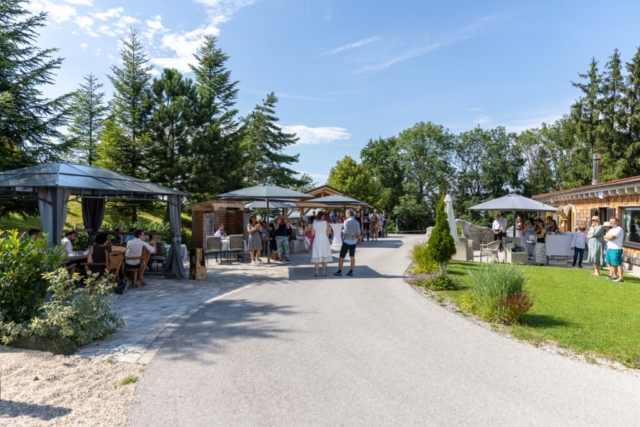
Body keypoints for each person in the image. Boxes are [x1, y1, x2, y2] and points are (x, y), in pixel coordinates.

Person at [334, 209, 361, 277]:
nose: (345, 215)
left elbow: (345, 231)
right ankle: (351, 271)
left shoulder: (346, 221)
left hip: (347, 241)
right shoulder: (357, 222)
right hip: (353, 241)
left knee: (341, 256)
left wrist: (340, 231)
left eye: (346, 213)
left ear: (349, 214)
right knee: (352, 256)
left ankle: (339, 271)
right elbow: (358, 232)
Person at [311, 211, 332, 276]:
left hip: (317, 239)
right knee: (324, 255)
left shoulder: (314, 223)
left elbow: (312, 233)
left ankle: (317, 272)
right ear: (322, 216)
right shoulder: (326, 223)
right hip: (324, 239)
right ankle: (324, 271)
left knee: (316, 255)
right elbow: (328, 232)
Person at [604, 217, 624, 282]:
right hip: (609, 248)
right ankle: (614, 276)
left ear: (617, 222)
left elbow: (612, 237)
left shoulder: (619, 229)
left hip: (616, 248)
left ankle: (621, 278)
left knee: (618, 263)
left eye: (613, 221)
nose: (611, 223)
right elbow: (605, 238)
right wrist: (608, 237)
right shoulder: (611, 230)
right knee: (611, 263)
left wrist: (608, 237)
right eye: (610, 221)